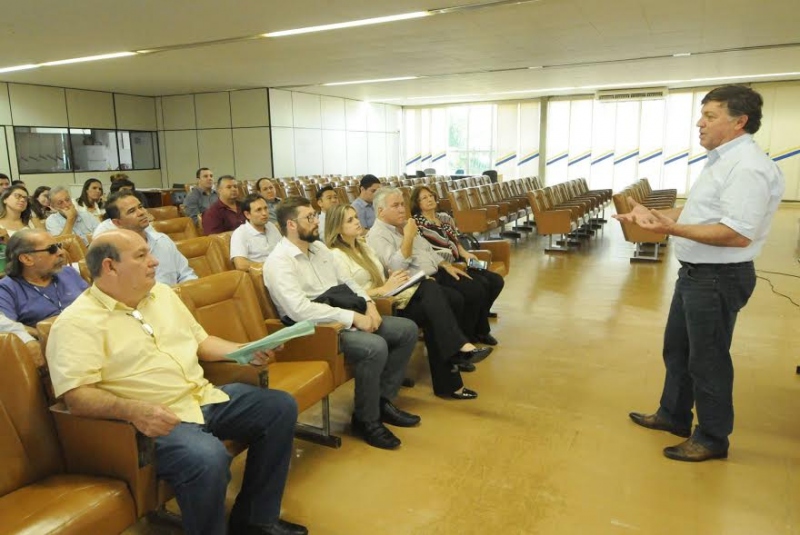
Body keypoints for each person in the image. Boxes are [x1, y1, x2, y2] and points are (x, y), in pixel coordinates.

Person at [45, 229, 307, 535]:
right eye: (141, 256)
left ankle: (255, 518)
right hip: (151, 421)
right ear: (109, 267)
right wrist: (134, 411)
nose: (154, 261)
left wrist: (244, 352)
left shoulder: (163, 295)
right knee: (207, 458)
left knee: (279, 407)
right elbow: (77, 396)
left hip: (201, 397)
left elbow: (202, 341)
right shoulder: (77, 323)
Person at [617, 85, 785, 462]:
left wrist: (670, 230)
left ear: (739, 121)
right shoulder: (722, 161)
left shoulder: (748, 168)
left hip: (717, 278)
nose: (700, 123)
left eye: (710, 116)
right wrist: (657, 217)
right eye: (702, 114)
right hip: (696, 274)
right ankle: (673, 414)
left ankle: (711, 437)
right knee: (678, 350)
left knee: (707, 359)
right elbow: (702, 213)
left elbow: (737, 234)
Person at [264, 197, 419, 450]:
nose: (317, 222)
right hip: (313, 330)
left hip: (343, 312)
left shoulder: (320, 249)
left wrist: (369, 305)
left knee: (406, 330)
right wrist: (353, 318)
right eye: (310, 218)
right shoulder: (279, 261)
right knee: (374, 347)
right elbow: (300, 310)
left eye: (315, 216)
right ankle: (366, 420)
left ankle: (381, 402)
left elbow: (350, 283)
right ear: (291, 225)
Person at [325, 205, 491, 399]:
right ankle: (457, 354)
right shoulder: (335, 255)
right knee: (434, 300)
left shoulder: (363, 246)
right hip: (373, 308)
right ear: (337, 228)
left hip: (390, 298)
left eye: (356, 217)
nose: (357, 222)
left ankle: (452, 375)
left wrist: (393, 281)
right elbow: (347, 294)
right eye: (350, 220)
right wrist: (383, 289)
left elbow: (383, 275)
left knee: (435, 301)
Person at [367, 187, 497, 346]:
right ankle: (464, 342)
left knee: (481, 284)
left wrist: (449, 261)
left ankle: (474, 335)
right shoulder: (398, 229)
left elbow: (435, 247)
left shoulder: (428, 221)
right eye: (396, 206)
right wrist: (409, 236)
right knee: (465, 294)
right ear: (381, 211)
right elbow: (397, 266)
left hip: (446, 266)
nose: (402, 209)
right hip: (424, 279)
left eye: (402, 204)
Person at [410, 185, 505, 327]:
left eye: (430, 196)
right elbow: (425, 250)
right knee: (481, 284)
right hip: (445, 265)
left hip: (460, 258)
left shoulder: (445, 218)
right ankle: (479, 327)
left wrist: (466, 253)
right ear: (418, 204)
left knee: (496, 280)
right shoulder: (417, 223)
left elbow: (456, 240)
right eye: (424, 198)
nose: (429, 199)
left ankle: (482, 313)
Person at [93, 191, 197, 285]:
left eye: (140, 207)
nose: (141, 212)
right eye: (132, 211)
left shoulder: (162, 240)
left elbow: (187, 275)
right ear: (118, 223)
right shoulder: (114, 256)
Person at [0, 229, 88, 328]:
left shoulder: (68, 272)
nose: (61, 252)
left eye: (59, 246)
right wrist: (42, 334)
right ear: (27, 259)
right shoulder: (5, 289)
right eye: (52, 249)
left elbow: (95, 303)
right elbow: (8, 328)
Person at [230, 194, 282, 270]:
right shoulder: (240, 233)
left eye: (265, 208)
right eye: (259, 210)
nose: (264, 213)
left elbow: (283, 249)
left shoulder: (271, 226)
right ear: (247, 214)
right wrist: (270, 266)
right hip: (263, 274)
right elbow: (240, 264)